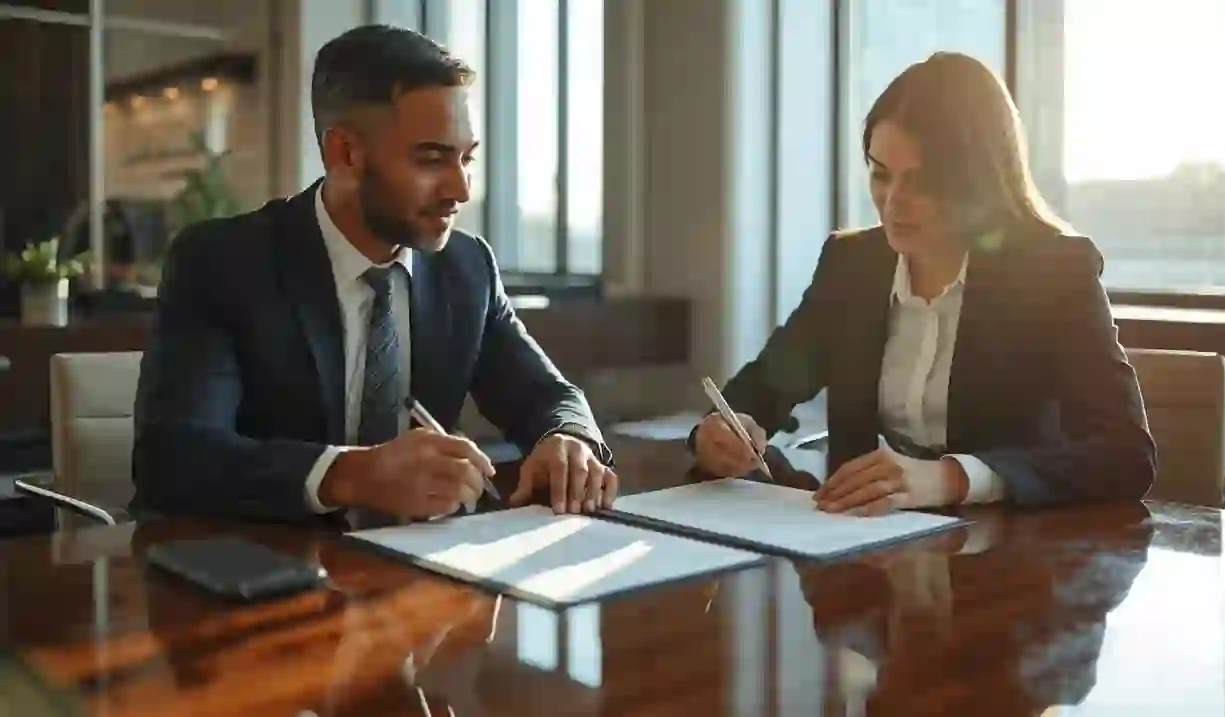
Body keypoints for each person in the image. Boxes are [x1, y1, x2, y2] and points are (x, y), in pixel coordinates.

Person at [132, 25, 617, 525]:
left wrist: (569, 437)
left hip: (418, 572)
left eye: (466, 158)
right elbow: (174, 459)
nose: (461, 188)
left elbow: (547, 395)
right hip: (260, 570)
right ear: (345, 154)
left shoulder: (466, 266)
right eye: (431, 158)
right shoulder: (222, 261)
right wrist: (354, 475)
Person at [692, 51, 1156, 512]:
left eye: (922, 183)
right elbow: (762, 389)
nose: (893, 204)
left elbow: (1124, 454)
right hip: (858, 552)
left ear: (979, 181)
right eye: (880, 174)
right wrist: (721, 431)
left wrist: (954, 478)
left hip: (1009, 559)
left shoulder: (1053, 272)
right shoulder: (851, 266)